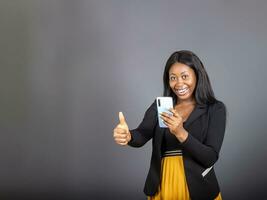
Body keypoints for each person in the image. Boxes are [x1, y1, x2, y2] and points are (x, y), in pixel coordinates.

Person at [113, 50, 226, 200]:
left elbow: (210, 157)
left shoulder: (214, 109)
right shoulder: (161, 106)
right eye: (173, 78)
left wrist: (180, 132)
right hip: (163, 182)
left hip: (198, 187)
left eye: (185, 76)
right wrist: (128, 136)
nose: (179, 83)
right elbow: (142, 134)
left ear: (197, 75)